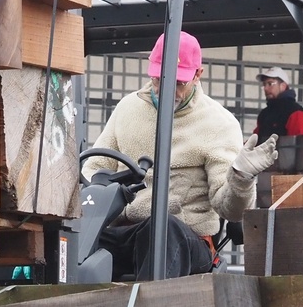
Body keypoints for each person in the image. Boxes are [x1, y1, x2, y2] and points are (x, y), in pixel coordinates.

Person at [82, 31, 278, 280]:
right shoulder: (128, 109)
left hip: (185, 239)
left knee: (163, 229)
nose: (165, 90)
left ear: (198, 75)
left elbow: (230, 209)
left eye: (178, 83)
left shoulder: (219, 124)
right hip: (127, 231)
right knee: (69, 237)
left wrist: (241, 178)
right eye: (158, 79)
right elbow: (95, 168)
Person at [254, 66, 303, 144]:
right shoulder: (264, 114)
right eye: (264, 84)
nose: (265, 88)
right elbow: (254, 141)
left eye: (270, 84)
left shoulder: (296, 113)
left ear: (283, 86)